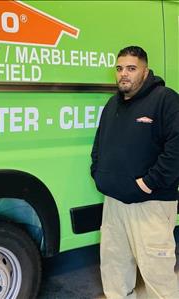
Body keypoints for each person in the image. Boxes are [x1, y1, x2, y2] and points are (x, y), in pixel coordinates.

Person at [91, 46, 179, 298]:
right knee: (114, 268)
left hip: (150, 203)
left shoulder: (165, 99)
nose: (123, 74)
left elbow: (176, 149)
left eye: (131, 68)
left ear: (145, 71)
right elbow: (100, 143)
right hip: (114, 203)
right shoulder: (112, 104)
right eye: (119, 69)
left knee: (156, 274)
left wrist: (149, 183)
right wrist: (98, 172)